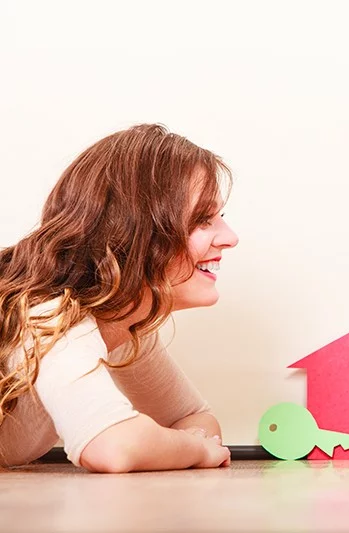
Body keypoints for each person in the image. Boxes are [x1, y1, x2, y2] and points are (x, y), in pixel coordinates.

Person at [0, 124, 238, 473]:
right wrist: (197, 450)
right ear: (135, 231)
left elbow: (194, 417)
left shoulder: (125, 325)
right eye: (202, 220)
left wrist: (184, 443)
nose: (230, 237)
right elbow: (113, 446)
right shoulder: (48, 315)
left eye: (220, 217)